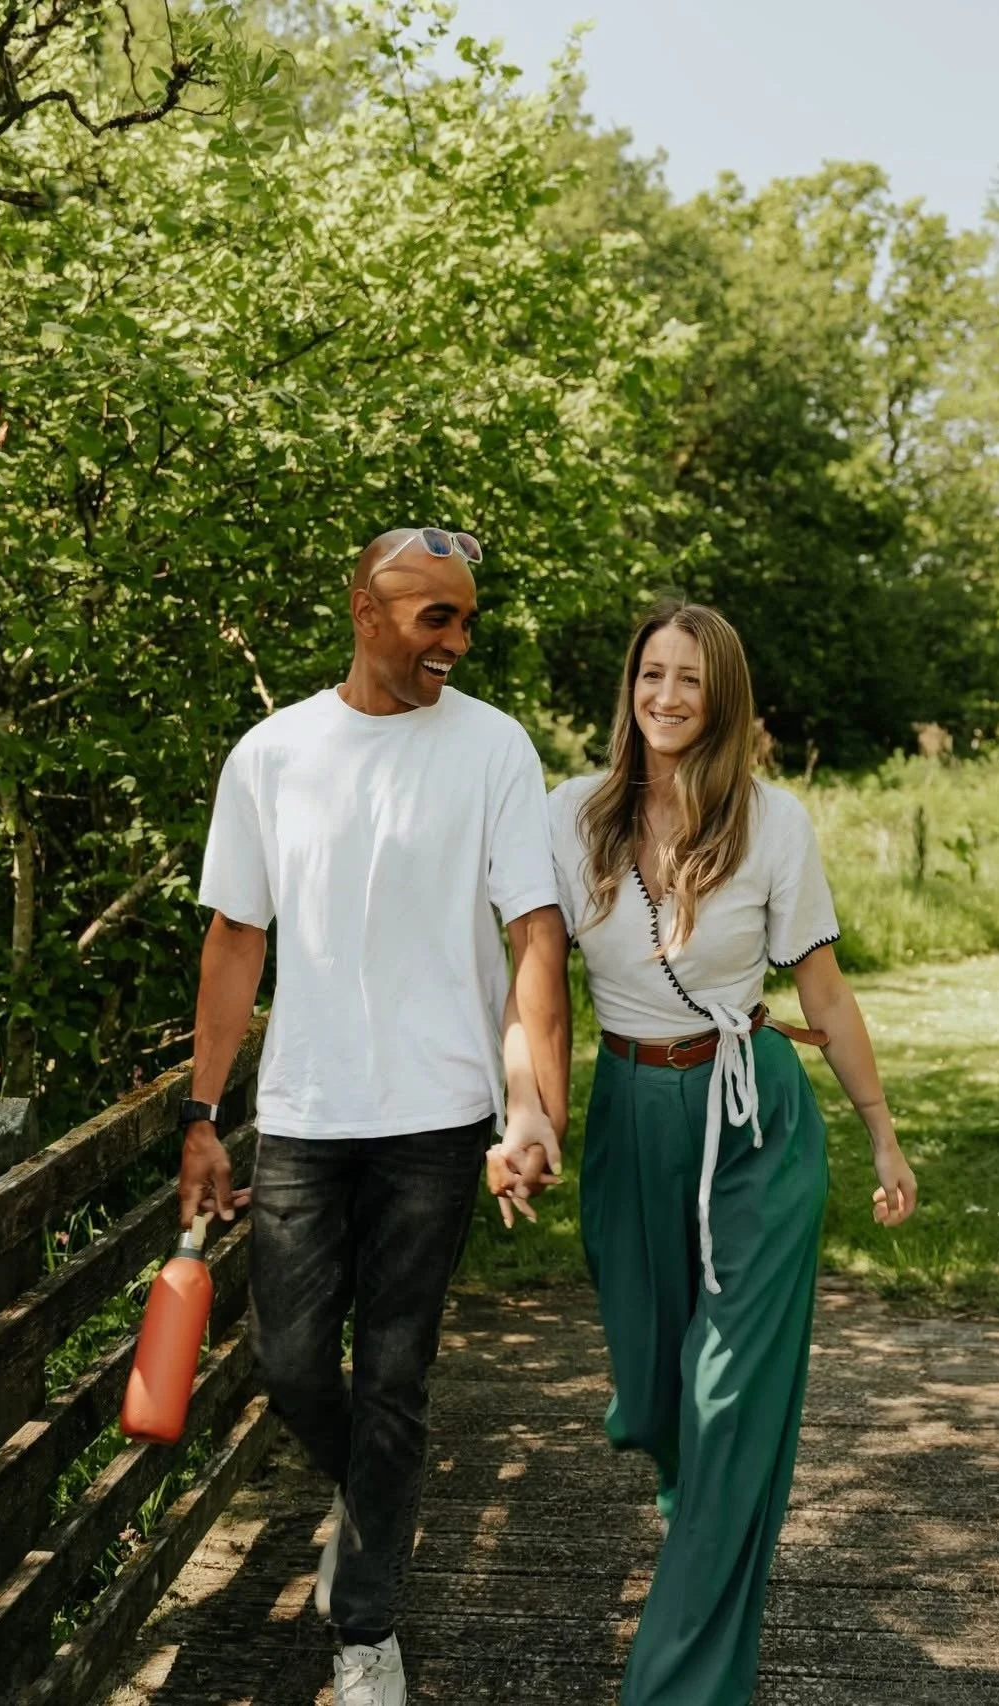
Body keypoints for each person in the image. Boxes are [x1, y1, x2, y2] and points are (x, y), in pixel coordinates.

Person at [492, 597, 917, 1705]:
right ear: (630, 686)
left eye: (690, 678)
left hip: (752, 1119)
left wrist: (881, 1133)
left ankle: (682, 1677)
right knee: (655, 1389)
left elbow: (818, 983)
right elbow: (530, 976)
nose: (667, 694)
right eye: (651, 673)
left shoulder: (772, 822)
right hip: (634, 1115)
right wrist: (525, 1107)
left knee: (728, 1400)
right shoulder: (569, 814)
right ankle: (705, 1509)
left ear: (723, 696)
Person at [179, 526, 570, 1706]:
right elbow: (236, 939)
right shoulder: (274, 753)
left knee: (394, 1372)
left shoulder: (494, 749)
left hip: (439, 1117)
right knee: (291, 1361)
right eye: (433, 617)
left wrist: (531, 1106)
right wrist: (204, 1112)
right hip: (304, 1110)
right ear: (365, 608)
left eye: (467, 619)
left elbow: (534, 935)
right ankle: (378, 1498)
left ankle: (366, 1629)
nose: (457, 639)